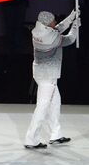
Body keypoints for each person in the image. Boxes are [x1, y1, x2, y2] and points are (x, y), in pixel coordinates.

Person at [24, 10, 80, 149]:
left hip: (42, 74)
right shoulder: (49, 38)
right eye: (53, 21)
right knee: (42, 107)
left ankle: (55, 134)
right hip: (48, 76)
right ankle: (31, 139)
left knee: (55, 103)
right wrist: (75, 26)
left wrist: (72, 16)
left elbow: (58, 28)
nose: (55, 22)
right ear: (47, 23)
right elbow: (69, 39)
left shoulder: (38, 31)